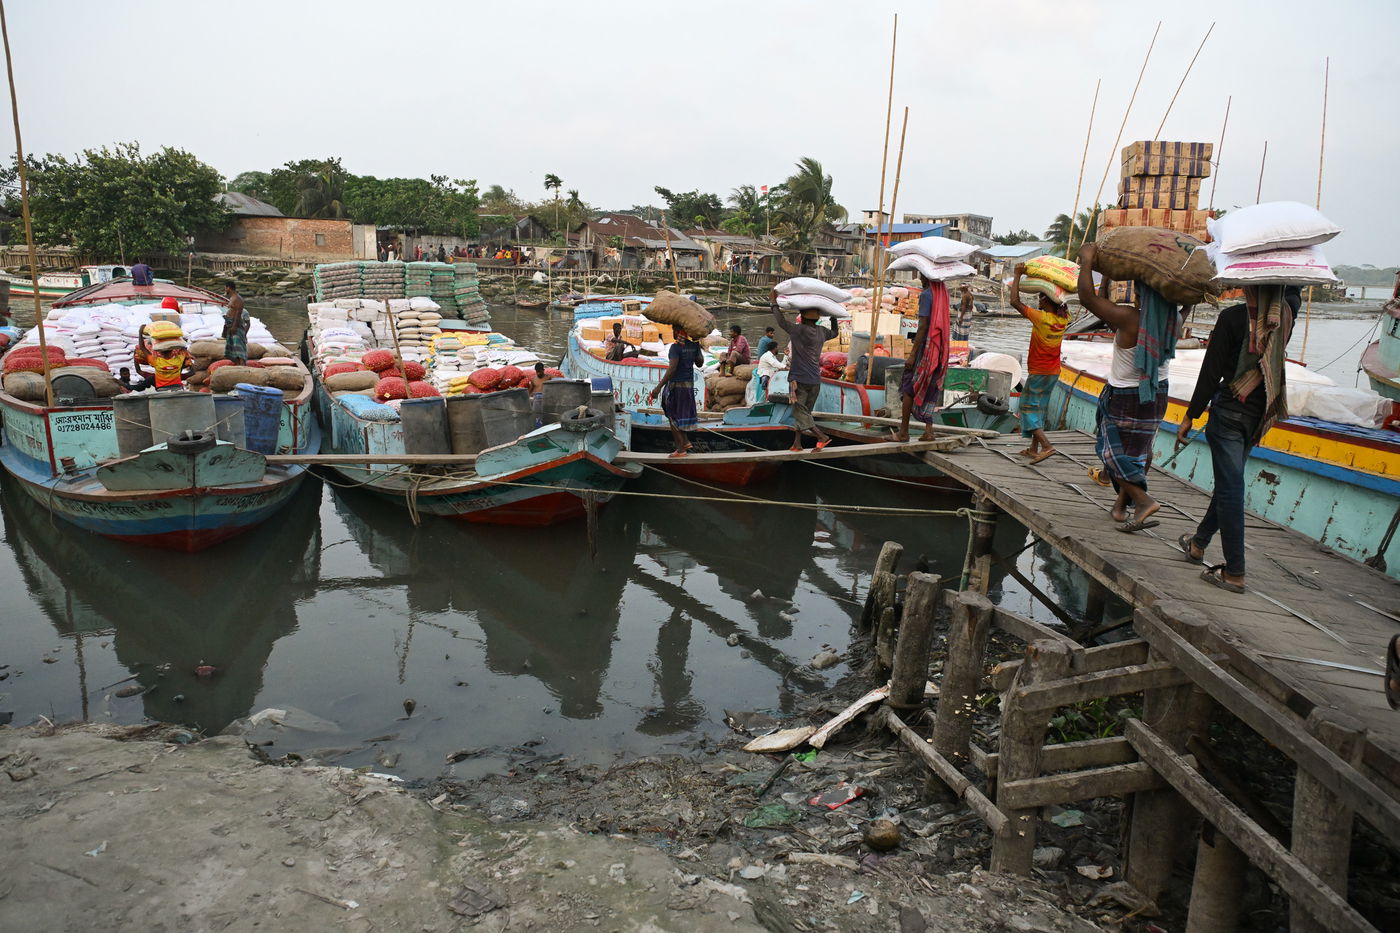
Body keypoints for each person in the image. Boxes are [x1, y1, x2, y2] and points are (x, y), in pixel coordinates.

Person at [1176, 284, 1300, 592]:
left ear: (1249, 284)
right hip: (1260, 413)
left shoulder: (1232, 318)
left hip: (1231, 411)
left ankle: (1235, 571)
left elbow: (1211, 370)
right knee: (1228, 483)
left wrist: (1191, 414)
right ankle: (1198, 543)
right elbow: (1293, 295)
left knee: (1231, 489)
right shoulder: (1286, 314)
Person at [1076, 243, 1178, 533]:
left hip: (1126, 396)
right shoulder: (1174, 318)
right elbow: (1104, 306)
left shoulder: (1132, 318)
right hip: (1157, 393)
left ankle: (1143, 501)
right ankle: (1121, 507)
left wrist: (1088, 261)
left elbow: (1086, 298)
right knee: (1139, 452)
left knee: (1111, 452)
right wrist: (1106, 278)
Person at [1010, 263, 1072, 463]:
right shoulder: (1064, 319)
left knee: (1026, 407)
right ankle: (1033, 448)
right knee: (1039, 408)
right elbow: (1061, 305)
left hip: (1039, 371)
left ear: (1046, 300)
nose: (1038, 301)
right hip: (1053, 372)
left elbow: (1014, 301)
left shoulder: (1041, 318)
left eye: (1040, 297)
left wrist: (1017, 275)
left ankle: (1047, 446)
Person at [771, 289, 834, 451]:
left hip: (799, 379)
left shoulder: (798, 330)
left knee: (800, 412)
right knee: (804, 413)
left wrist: (774, 304)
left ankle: (821, 436)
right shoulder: (823, 332)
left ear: (803, 317)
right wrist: (835, 317)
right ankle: (797, 443)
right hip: (815, 380)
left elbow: (781, 322)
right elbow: (835, 332)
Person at [892, 272, 951, 443]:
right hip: (940, 349)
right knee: (930, 387)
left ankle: (903, 432)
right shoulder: (942, 293)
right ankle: (929, 431)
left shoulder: (926, 295)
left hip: (927, 349)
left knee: (909, 386)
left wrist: (911, 355)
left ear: (924, 276)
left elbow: (923, 326)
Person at [647, 325, 702, 457]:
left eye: (673, 330)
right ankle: (686, 441)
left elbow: (672, 369)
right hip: (688, 386)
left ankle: (681, 449)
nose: (672, 333)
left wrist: (658, 387)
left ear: (677, 332)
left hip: (677, 386)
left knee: (672, 415)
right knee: (681, 415)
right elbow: (700, 363)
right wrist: (697, 346)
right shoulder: (693, 346)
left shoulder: (675, 347)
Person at [222, 281, 250, 365]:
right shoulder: (232, 298)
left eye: (225, 288)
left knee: (239, 348)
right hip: (230, 324)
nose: (225, 290)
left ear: (229, 288)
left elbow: (238, 313)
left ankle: (242, 366)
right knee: (232, 348)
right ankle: (238, 365)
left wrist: (234, 326)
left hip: (235, 325)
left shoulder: (238, 299)